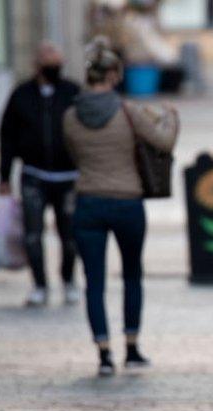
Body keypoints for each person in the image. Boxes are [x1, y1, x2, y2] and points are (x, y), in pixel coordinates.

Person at [62, 39, 179, 376]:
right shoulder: (128, 111)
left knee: (93, 280)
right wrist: (170, 117)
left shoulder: (70, 116)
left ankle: (102, 353)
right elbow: (164, 142)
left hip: (87, 201)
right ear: (113, 75)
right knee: (131, 275)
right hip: (127, 202)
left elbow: (73, 154)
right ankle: (131, 348)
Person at [0, 42, 81, 307]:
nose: (54, 64)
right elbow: (7, 137)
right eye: (48, 59)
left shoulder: (73, 93)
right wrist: (4, 175)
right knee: (32, 235)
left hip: (68, 177)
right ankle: (40, 285)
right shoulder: (22, 95)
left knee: (69, 236)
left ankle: (68, 281)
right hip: (34, 175)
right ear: (37, 64)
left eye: (58, 59)